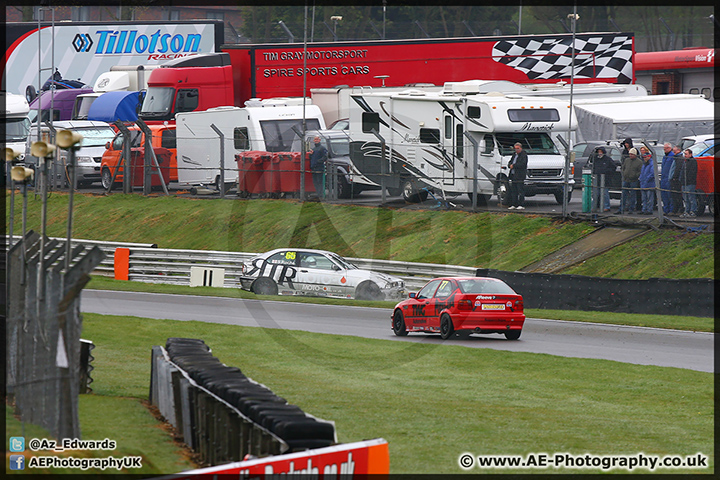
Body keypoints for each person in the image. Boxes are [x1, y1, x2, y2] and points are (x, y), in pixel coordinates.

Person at [617, 147, 642, 214]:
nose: (630, 155)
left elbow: (640, 171)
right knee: (623, 195)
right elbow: (623, 167)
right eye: (630, 154)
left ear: (635, 155)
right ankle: (621, 209)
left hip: (634, 180)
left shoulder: (639, 162)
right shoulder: (626, 160)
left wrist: (635, 176)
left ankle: (631, 209)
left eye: (632, 154)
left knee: (633, 195)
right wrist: (624, 173)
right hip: (626, 179)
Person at [590, 146, 614, 212]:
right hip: (596, 179)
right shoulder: (596, 159)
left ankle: (607, 206)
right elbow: (593, 167)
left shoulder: (608, 159)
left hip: (605, 179)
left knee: (605, 194)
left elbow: (613, 167)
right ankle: (593, 207)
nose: (600, 153)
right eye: (598, 152)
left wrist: (607, 172)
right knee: (595, 194)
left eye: (601, 152)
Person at [507, 142, 528, 210]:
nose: (516, 150)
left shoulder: (524, 155)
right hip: (513, 175)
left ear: (521, 148)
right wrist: (510, 165)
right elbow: (510, 162)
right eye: (515, 148)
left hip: (520, 175)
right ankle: (514, 204)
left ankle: (521, 204)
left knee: (520, 190)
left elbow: (523, 164)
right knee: (514, 191)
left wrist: (514, 166)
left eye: (518, 148)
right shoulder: (514, 155)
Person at [678, 148, 698, 218]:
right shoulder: (685, 162)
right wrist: (681, 180)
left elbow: (692, 173)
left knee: (691, 198)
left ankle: (693, 211)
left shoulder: (693, 162)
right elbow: (682, 172)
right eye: (684, 154)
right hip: (684, 183)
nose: (685, 155)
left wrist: (688, 180)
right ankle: (687, 211)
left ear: (690, 154)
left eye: (686, 154)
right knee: (685, 198)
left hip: (690, 183)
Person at [659, 142, 675, 214]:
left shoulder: (672, 156)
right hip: (663, 178)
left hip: (668, 178)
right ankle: (666, 210)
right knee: (664, 195)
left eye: (665, 149)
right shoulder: (664, 157)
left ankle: (671, 210)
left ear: (669, 148)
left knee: (670, 195)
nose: (664, 150)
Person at [638, 145, 655, 215]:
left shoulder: (651, 164)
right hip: (643, 183)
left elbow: (652, 173)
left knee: (649, 198)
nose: (644, 158)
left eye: (645, 157)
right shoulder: (644, 164)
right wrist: (641, 179)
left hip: (649, 184)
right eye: (644, 157)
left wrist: (646, 180)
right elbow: (642, 173)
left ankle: (649, 210)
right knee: (644, 198)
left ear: (649, 157)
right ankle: (644, 209)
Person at [669, 145, 685, 215]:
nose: (673, 151)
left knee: (677, 195)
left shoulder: (679, 158)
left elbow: (678, 169)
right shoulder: (675, 158)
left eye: (674, 150)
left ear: (678, 150)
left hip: (676, 180)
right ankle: (675, 209)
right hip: (673, 179)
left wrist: (675, 177)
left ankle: (679, 209)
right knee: (674, 195)